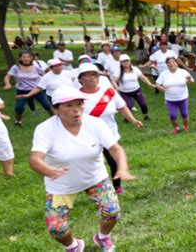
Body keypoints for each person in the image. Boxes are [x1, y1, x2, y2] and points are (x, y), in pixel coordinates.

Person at [29, 86, 135, 251]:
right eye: (69, 106)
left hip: (95, 178)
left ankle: (102, 238)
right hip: (61, 185)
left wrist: (123, 168)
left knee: (112, 212)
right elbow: (35, 159)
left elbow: (115, 149)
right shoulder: (45, 129)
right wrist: (49, 171)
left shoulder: (95, 123)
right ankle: (74, 246)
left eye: (79, 104)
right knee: (56, 228)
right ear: (56, 109)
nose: (76, 110)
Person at [77, 63, 142, 195]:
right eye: (88, 75)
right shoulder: (76, 97)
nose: (92, 78)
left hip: (109, 135)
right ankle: (93, 188)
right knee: (92, 165)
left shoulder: (108, 90)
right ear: (80, 79)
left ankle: (117, 186)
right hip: (88, 137)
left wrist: (133, 120)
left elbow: (122, 106)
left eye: (95, 74)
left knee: (113, 162)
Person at [4, 51, 54, 126]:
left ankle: (56, 120)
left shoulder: (36, 67)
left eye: (28, 57)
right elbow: (7, 76)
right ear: (20, 58)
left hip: (36, 90)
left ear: (31, 58)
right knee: (19, 107)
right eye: (24, 57)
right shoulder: (16, 67)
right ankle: (18, 122)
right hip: (22, 91)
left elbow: (44, 75)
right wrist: (7, 84)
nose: (26, 58)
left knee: (47, 105)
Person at [156, 57, 195, 134]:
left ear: (177, 63)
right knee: (172, 115)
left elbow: (192, 81)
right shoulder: (164, 74)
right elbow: (157, 84)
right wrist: (160, 88)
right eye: (169, 63)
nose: (171, 64)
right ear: (167, 65)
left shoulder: (183, 72)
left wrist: (190, 79)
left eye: (173, 62)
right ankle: (176, 128)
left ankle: (185, 126)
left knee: (184, 113)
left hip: (183, 98)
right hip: (170, 99)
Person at [112, 54, 155, 121]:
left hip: (136, 90)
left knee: (143, 104)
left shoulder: (135, 69)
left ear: (130, 61)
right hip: (125, 92)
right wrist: (117, 87)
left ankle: (146, 115)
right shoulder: (118, 71)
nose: (126, 63)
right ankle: (127, 117)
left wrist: (149, 84)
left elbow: (143, 77)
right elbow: (114, 81)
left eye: (127, 61)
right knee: (128, 106)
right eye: (123, 61)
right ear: (121, 63)